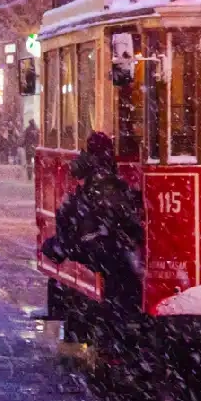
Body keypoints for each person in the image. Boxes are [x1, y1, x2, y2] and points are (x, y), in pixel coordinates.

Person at [41, 133, 144, 356]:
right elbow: (124, 219)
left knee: (115, 295)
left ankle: (111, 346)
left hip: (96, 248)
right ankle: (114, 346)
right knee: (119, 293)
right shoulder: (108, 184)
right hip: (106, 250)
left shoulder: (92, 183)